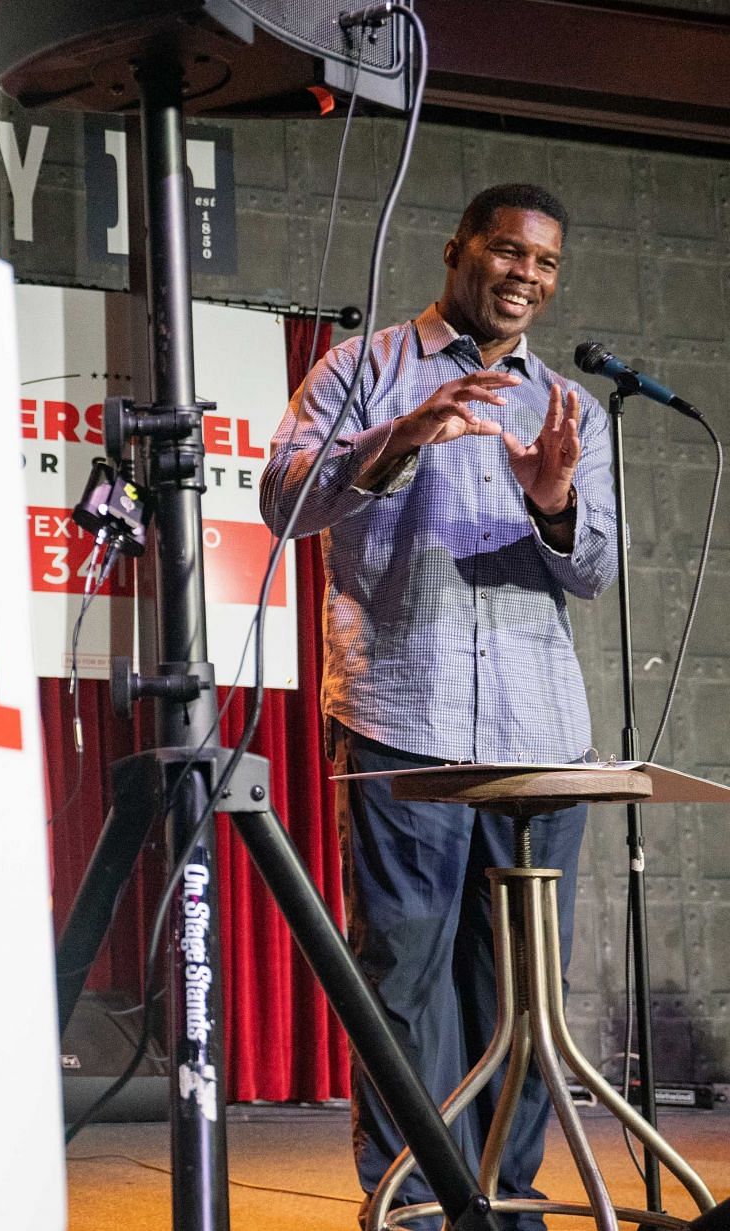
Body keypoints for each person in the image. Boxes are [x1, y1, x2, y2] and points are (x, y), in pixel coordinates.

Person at [259, 181, 619, 1231]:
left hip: (539, 736)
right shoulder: (362, 370)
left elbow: (595, 566)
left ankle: (506, 1202)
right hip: (401, 722)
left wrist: (554, 505)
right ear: (459, 249)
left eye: (547, 264)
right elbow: (283, 499)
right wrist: (395, 440)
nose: (528, 277)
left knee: (521, 997)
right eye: (510, 252)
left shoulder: (570, 409)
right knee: (405, 980)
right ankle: (423, 1207)